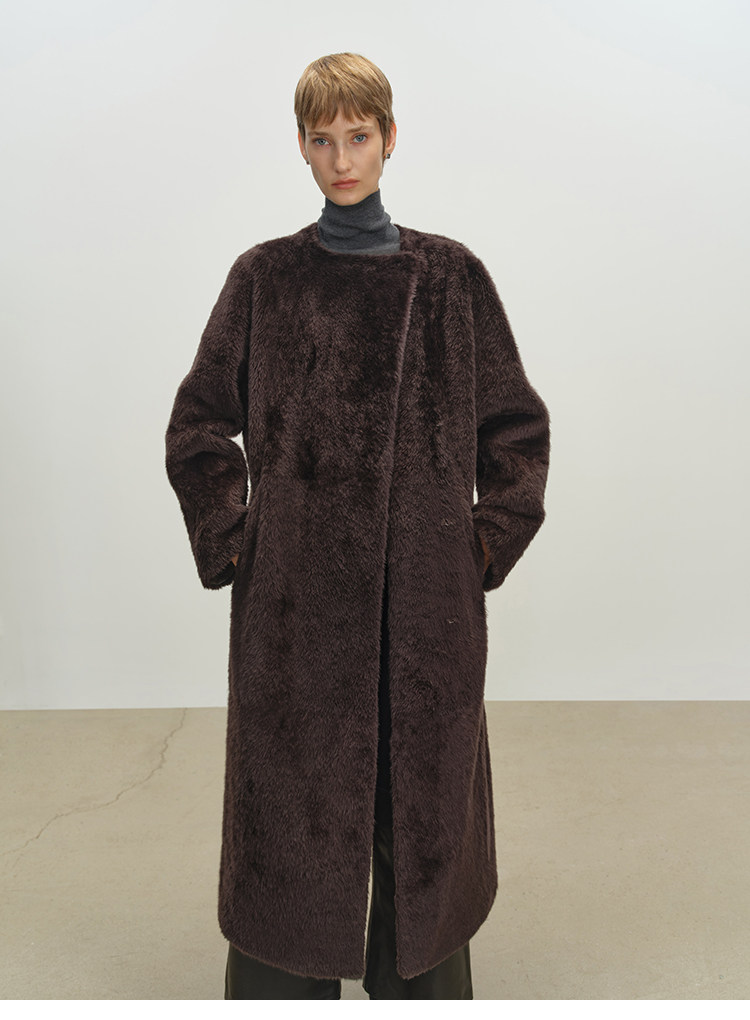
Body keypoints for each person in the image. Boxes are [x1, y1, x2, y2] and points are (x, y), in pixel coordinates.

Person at [165, 51, 550, 999]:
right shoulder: (264, 279)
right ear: (300, 147)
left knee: (419, 812)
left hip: (423, 611)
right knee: (291, 810)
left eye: (359, 136)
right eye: (323, 139)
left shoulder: (452, 278)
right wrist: (238, 539)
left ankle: (419, 979)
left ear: (389, 138)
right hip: (294, 613)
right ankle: (280, 983)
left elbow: (516, 431)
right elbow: (199, 424)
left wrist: (477, 546)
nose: (342, 159)